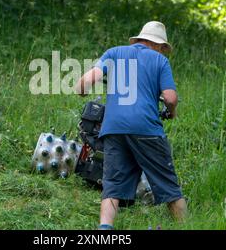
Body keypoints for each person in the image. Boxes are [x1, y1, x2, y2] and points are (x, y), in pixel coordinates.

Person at [75, 21, 187, 230]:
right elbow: (170, 98)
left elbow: (85, 83)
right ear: (160, 46)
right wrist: (171, 113)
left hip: (114, 129)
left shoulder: (114, 53)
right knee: (168, 184)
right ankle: (186, 226)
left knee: (112, 185)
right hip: (146, 129)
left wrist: (81, 89)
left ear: (139, 39)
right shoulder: (160, 61)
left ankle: (105, 229)